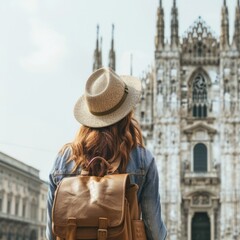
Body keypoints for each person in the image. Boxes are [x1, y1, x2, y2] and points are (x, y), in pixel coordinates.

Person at [46, 67, 167, 240]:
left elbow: (52, 231)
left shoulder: (63, 159)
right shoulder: (142, 159)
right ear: (126, 113)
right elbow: (154, 231)